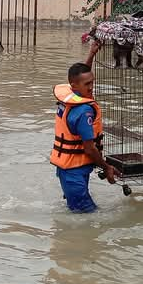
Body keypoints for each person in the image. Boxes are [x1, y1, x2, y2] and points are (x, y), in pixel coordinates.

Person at [51, 41, 118, 213]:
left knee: (76, 213)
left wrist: (91, 54)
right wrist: (106, 167)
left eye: (92, 82)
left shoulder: (69, 95)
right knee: (88, 218)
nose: (91, 87)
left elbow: (82, 76)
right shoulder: (83, 112)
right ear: (74, 86)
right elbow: (89, 149)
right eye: (87, 85)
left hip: (70, 170)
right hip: (74, 174)